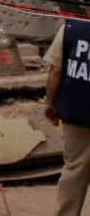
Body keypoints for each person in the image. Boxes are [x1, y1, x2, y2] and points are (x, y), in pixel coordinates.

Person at [44, 17, 90, 216]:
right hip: (77, 113)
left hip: (77, 111)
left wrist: (49, 102)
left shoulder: (70, 30)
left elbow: (55, 70)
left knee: (75, 172)